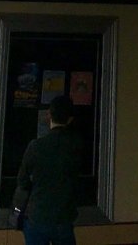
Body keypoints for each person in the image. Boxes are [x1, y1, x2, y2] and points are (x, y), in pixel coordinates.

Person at [12, 94, 83, 245]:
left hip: (37, 215)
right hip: (63, 216)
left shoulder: (35, 146)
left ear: (48, 115)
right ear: (70, 119)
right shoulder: (76, 147)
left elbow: (22, 181)